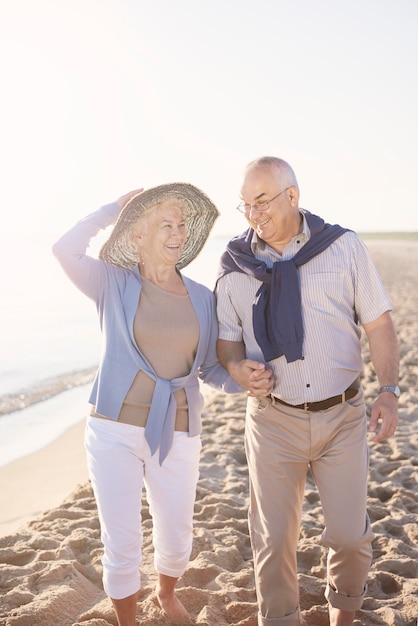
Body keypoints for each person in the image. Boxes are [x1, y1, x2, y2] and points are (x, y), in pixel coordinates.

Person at [52, 182, 272, 626]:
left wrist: (243, 380)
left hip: (179, 430)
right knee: (123, 539)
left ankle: (166, 592)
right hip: (112, 430)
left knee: (176, 535)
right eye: (165, 224)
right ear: (137, 235)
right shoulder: (111, 283)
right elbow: (65, 248)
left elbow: (211, 370)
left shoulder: (202, 298)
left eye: (182, 224)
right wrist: (112, 208)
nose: (177, 232)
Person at [215, 157, 400, 626]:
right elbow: (227, 340)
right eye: (246, 205)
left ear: (292, 197)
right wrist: (238, 370)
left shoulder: (342, 247)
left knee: (349, 537)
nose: (254, 213)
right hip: (273, 419)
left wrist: (390, 391)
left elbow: (378, 323)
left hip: (343, 416)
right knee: (273, 539)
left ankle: (344, 617)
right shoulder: (235, 263)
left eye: (262, 201)